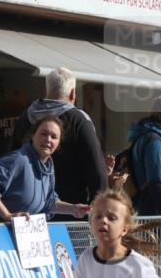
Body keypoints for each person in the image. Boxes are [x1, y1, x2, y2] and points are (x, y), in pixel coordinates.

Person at [11, 67, 107, 218]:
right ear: (73, 93)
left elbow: (11, 160)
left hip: (29, 213)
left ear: (46, 89)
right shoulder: (78, 120)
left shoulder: (25, 118)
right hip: (71, 212)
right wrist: (100, 212)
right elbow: (95, 169)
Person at [0, 116, 90, 224]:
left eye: (54, 136)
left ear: (58, 143)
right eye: (43, 134)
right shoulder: (18, 160)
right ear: (33, 136)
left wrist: (73, 209)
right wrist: (7, 215)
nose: (48, 140)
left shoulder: (48, 167)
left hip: (5, 242)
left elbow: (49, 203)